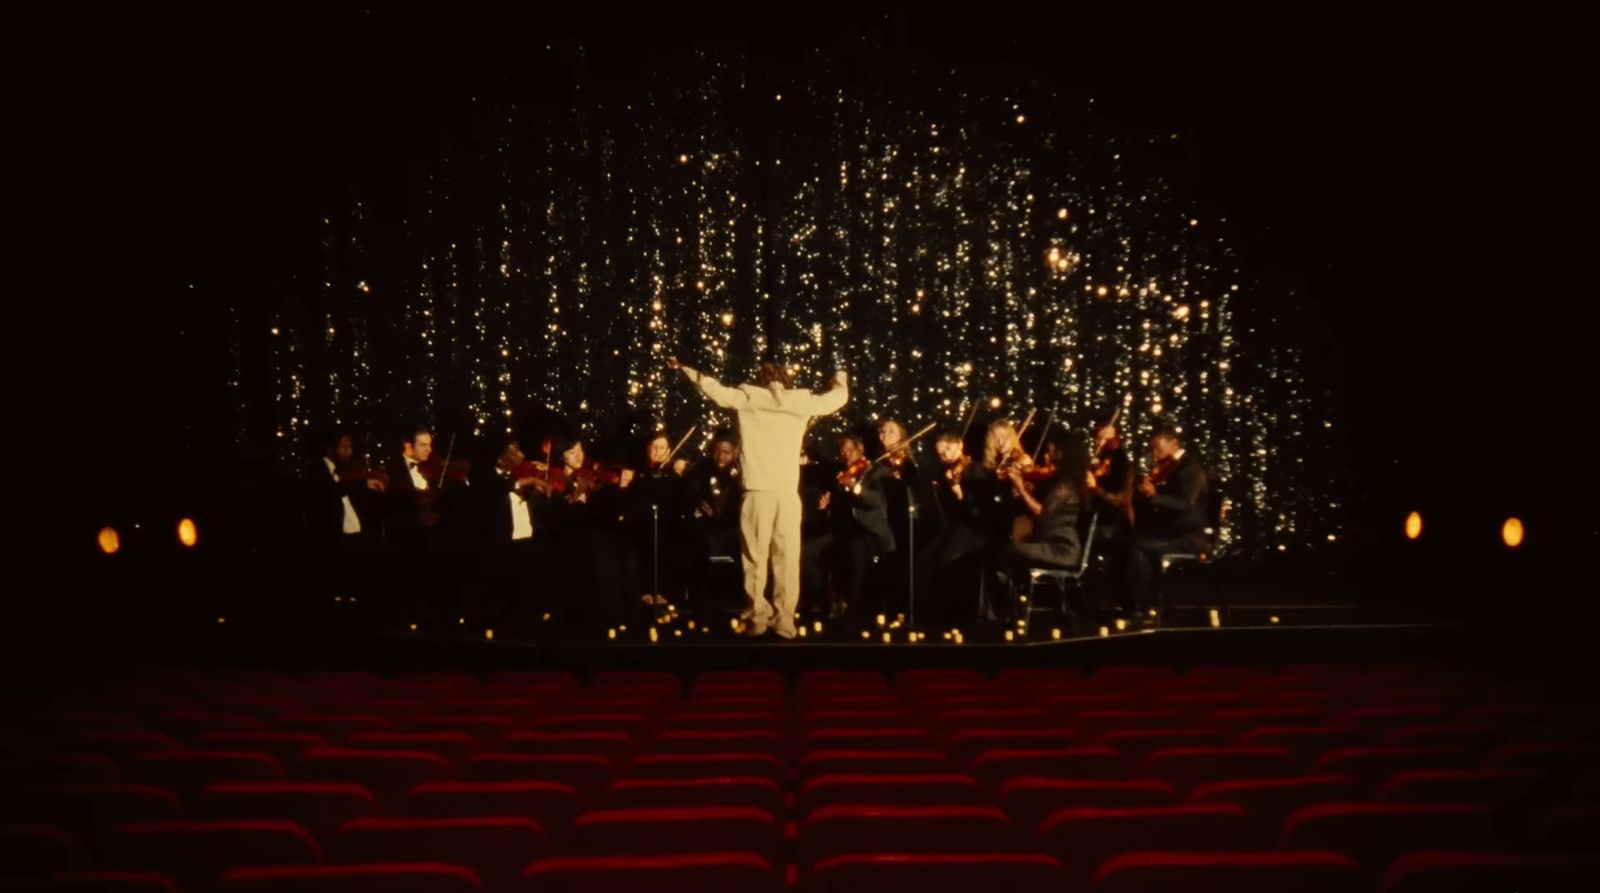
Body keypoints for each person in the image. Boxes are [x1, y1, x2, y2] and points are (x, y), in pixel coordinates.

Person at [671, 356, 848, 639]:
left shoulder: (748, 398)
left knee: (754, 559)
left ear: (760, 379)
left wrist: (688, 369)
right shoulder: (799, 402)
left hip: (757, 492)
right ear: (786, 380)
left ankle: (757, 617)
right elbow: (837, 399)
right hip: (786, 494)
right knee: (787, 559)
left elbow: (713, 390)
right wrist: (839, 376)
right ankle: (785, 621)